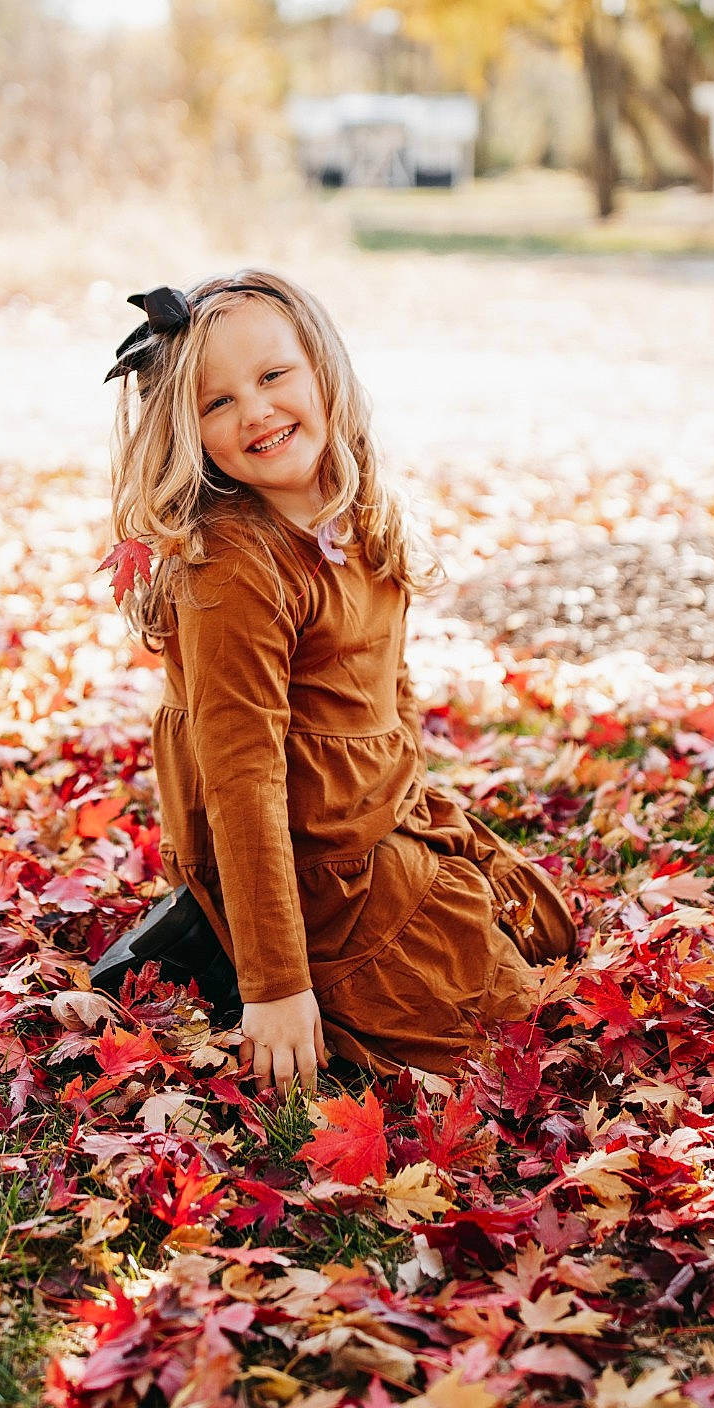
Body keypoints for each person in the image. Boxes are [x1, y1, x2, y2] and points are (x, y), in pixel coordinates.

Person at [104, 269, 576, 1098]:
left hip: (371, 810)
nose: (254, 411)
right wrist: (276, 986)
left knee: (545, 932)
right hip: (304, 852)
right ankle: (234, 949)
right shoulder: (234, 567)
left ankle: (282, 929)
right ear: (187, 431)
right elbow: (241, 779)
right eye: (216, 403)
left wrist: (418, 808)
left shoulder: (353, 507)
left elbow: (388, 687)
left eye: (272, 376)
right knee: (495, 1030)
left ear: (321, 368)